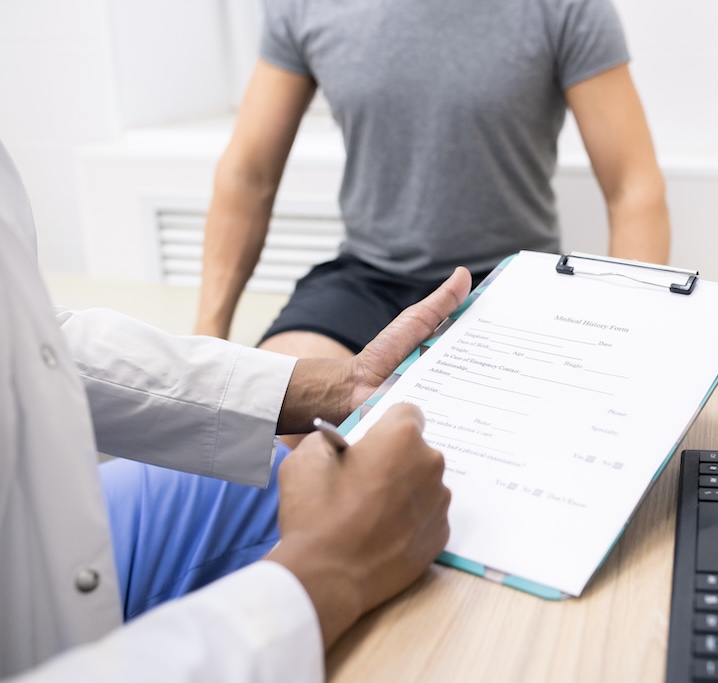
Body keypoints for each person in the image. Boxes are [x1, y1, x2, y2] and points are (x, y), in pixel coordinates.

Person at [0, 138, 472, 681]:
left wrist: (335, 386)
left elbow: (34, 338)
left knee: (289, 472)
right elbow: (250, 167)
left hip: (40, 518)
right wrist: (322, 579)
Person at [194, 0, 671, 368]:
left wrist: (619, 344)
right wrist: (204, 346)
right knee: (280, 422)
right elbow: (249, 175)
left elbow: (632, 187)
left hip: (509, 282)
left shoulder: (566, 8)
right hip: (367, 278)